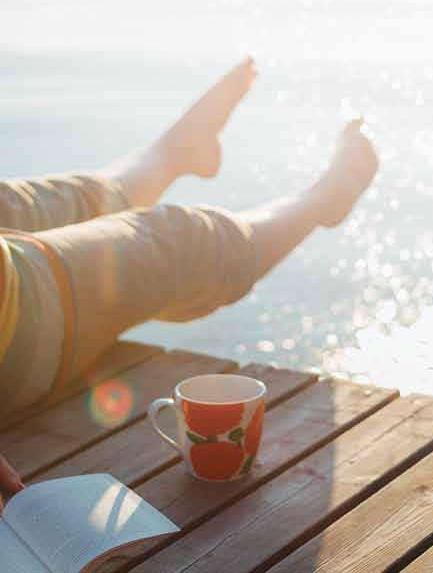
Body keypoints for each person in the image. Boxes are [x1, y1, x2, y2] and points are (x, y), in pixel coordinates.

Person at [0, 57, 378, 504]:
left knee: (45, 202)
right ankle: (322, 200)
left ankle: (172, 154)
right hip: (17, 319)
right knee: (179, 241)